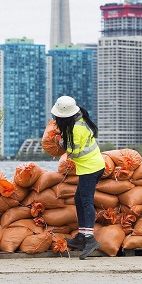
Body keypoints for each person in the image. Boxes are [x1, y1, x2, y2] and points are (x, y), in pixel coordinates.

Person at [51, 95, 105, 259]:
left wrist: (59, 141)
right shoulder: (79, 119)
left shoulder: (76, 129)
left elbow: (72, 152)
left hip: (91, 168)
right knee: (78, 199)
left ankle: (89, 238)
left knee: (86, 200)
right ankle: (82, 235)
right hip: (90, 166)